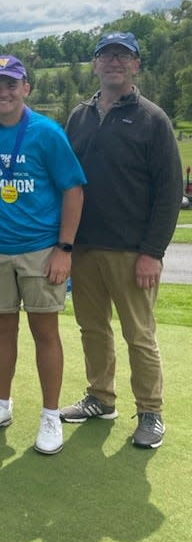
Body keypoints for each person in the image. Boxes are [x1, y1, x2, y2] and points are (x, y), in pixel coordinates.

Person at [60, 32, 183, 449]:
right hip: (85, 246)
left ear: (135, 65)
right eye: (106, 55)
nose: (114, 62)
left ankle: (150, 411)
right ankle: (100, 397)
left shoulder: (153, 118)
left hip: (133, 251)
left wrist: (152, 253)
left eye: (123, 56)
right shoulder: (79, 115)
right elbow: (64, 179)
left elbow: (169, 192)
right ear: (95, 64)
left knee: (139, 334)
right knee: (92, 328)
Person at [0, 55, 85, 455]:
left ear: (25, 89)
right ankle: (1, 403)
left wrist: (64, 249)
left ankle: (50, 414)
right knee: (0, 330)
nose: (3, 93)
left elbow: (73, 189)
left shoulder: (46, 133)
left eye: (10, 85)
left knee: (45, 333)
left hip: (40, 251)